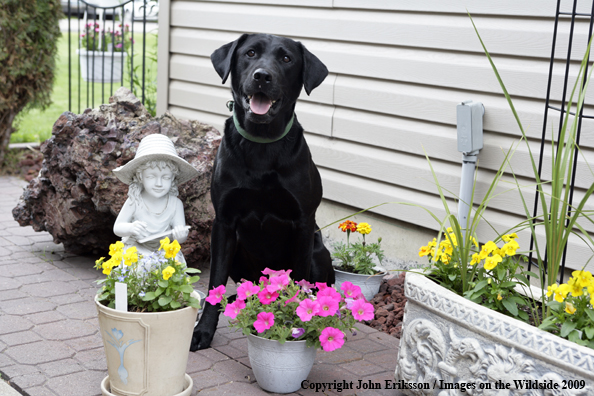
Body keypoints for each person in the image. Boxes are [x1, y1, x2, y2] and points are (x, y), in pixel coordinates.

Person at [112, 134, 199, 265]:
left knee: (173, 262)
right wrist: (131, 228)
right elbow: (117, 227)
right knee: (140, 263)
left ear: (173, 179)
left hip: (163, 250)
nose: (159, 183)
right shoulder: (135, 201)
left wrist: (180, 236)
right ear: (141, 177)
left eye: (165, 178)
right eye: (151, 176)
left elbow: (179, 233)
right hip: (138, 248)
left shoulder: (175, 204)